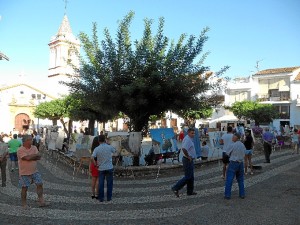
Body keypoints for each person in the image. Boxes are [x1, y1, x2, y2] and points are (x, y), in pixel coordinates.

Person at [17, 134, 48, 208]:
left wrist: (31, 156)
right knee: (24, 188)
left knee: (40, 184)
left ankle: (40, 200)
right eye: (30, 139)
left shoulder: (34, 147)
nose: (32, 140)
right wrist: (34, 156)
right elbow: (27, 158)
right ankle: (24, 204)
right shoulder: (20, 150)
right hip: (24, 173)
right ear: (26, 141)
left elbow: (39, 157)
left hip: (34, 171)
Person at [171, 128, 197, 197]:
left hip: (189, 159)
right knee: (188, 176)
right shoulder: (188, 140)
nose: (193, 134)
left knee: (191, 177)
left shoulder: (188, 138)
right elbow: (184, 149)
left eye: (194, 133)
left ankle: (190, 191)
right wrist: (188, 156)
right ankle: (175, 188)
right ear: (188, 133)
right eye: (192, 133)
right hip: (187, 160)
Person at [91, 134, 116, 202]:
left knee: (101, 183)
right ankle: (109, 197)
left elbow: (92, 157)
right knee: (109, 183)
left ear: (99, 140)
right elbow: (115, 151)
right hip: (109, 167)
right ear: (105, 140)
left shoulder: (97, 149)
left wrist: (95, 164)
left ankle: (101, 198)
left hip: (101, 168)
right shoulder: (109, 147)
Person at [224, 133, 246, 199]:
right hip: (241, 163)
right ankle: (242, 194)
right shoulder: (242, 145)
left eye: (233, 137)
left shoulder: (232, 145)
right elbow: (244, 153)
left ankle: (227, 195)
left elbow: (227, 153)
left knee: (229, 179)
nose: (232, 138)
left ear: (236, 137)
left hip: (233, 162)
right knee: (241, 180)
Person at [89, 134, 101, 199]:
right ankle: (97, 194)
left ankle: (92, 194)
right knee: (98, 180)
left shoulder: (93, 149)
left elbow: (91, 158)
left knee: (93, 179)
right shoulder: (99, 149)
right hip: (98, 164)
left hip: (93, 165)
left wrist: (90, 167)